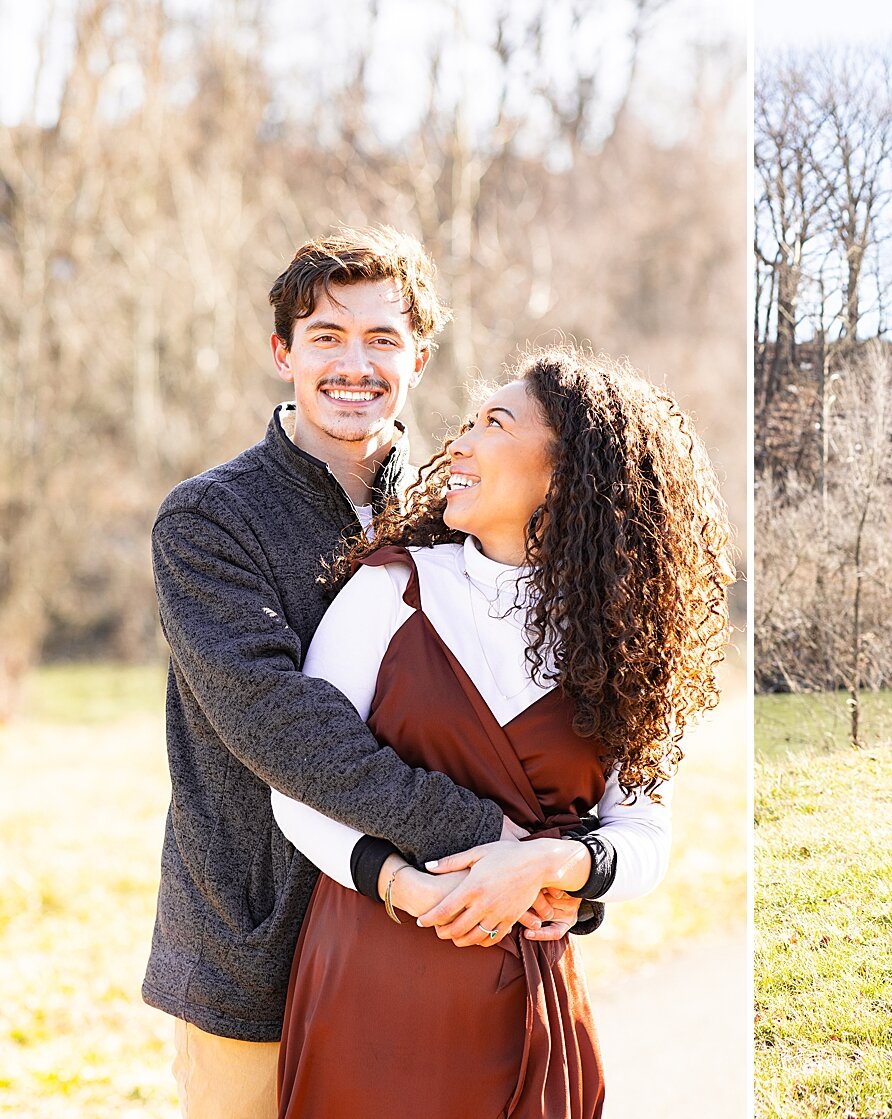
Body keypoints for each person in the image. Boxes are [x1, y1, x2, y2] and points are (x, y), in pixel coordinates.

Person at [145, 228, 607, 1117]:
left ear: (420, 358)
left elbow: (521, 698)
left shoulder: (459, 503)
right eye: (326, 336)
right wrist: (493, 839)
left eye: (382, 339)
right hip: (257, 953)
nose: (354, 364)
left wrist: (561, 873)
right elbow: (287, 728)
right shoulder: (208, 520)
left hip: (430, 956)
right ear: (282, 352)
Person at [264, 347, 732, 1117]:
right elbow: (297, 787)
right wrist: (404, 887)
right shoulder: (391, 587)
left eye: (495, 423)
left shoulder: (624, 643)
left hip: (532, 1012)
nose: (460, 441)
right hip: (369, 991)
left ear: (568, 470)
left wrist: (556, 861)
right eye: (469, 421)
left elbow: (645, 833)